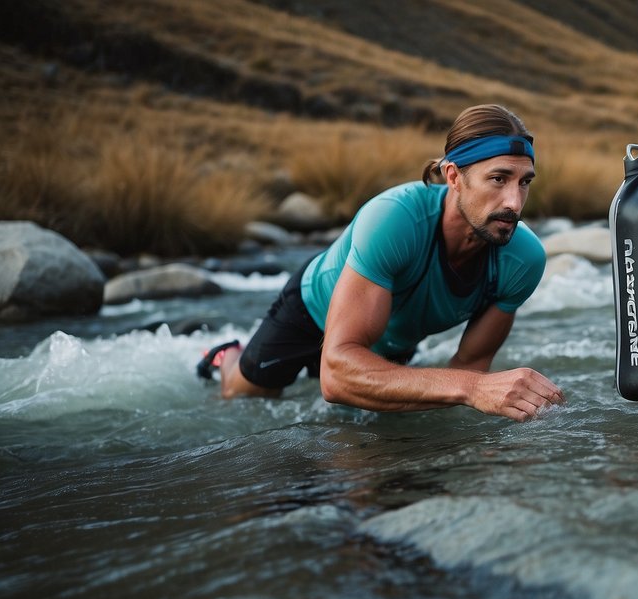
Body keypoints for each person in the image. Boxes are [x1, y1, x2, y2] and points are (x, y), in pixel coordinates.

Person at [198, 103, 564, 422]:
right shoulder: (395, 219)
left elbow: (469, 368)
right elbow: (337, 379)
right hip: (313, 310)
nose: (515, 203)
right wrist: (471, 388)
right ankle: (226, 356)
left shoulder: (523, 259)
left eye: (524, 182)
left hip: (393, 335)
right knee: (245, 397)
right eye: (498, 179)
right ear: (453, 176)